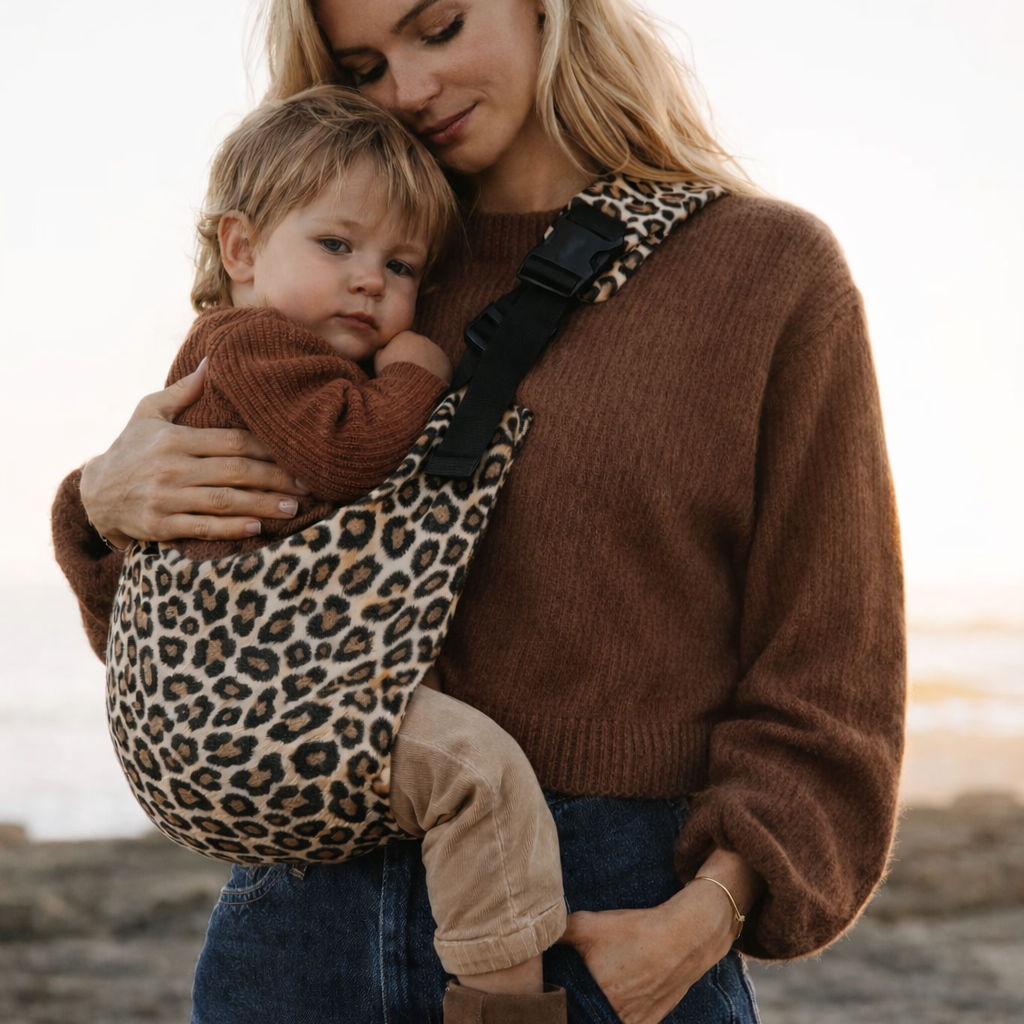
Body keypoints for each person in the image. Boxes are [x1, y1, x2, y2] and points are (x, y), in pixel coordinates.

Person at [50, 1, 907, 1022]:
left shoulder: (763, 272)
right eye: (362, 65)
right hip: (297, 926)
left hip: (598, 930)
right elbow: (205, 639)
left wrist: (703, 916)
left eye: (441, 27)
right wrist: (100, 507)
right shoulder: (346, 265)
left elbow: (832, 675)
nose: (407, 90)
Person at [91, 83, 569, 1020]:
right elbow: (349, 450)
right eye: (336, 245)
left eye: (400, 266)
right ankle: (504, 1000)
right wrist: (414, 373)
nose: (371, 281)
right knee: (477, 777)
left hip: (245, 706)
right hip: (278, 707)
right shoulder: (248, 346)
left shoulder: (233, 354)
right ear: (240, 249)